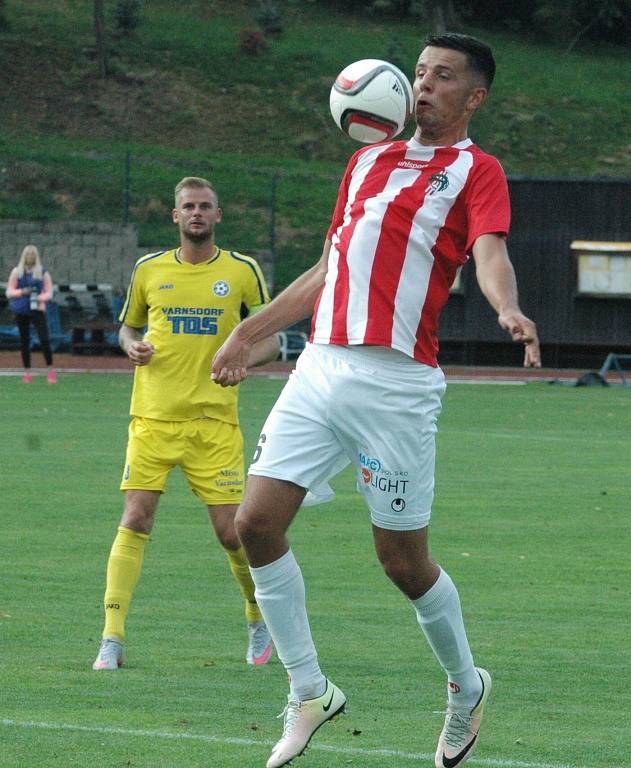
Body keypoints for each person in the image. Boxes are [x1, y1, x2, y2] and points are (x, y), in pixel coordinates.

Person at [212, 33, 541, 768]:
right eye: (419, 72)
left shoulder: (476, 172)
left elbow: (490, 251)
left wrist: (506, 308)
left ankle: (465, 685)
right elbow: (327, 268)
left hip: (395, 387)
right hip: (321, 367)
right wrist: (247, 334)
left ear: (473, 97)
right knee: (254, 525)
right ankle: (308, 690)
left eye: (442, 77)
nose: (423, 85)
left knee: (400, 562)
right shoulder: (363, 161)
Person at [92, 176, 280, 671]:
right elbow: (128, 326)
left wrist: (245, 358)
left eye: (205, 206)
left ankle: (257, 617)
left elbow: (271, 339)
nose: (196, 213)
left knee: (233, 532)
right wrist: (131, 345)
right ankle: (111, 637)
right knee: (135, 518)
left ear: (218, 215)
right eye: (188, 207)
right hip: (152, 417)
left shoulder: (242, 272)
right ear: (175, 216)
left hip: (213, 424)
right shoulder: (148, 270)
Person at [5, 244, 57, 384]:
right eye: (28, 255)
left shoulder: (42, 272)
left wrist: (39, 297)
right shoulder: (17, 272)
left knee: (44, 339)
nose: (30, 257)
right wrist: (22, 292)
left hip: (37, 309)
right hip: (22, 309)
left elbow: (49, 292)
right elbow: (9, 291)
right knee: (24, 341)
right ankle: (27, 372)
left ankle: (50, 369)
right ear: (24, 256)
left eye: (32, 255)